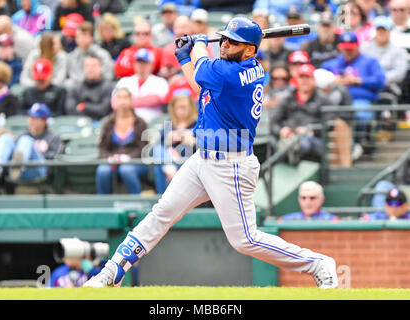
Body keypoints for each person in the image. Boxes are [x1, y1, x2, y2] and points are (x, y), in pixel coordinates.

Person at [84, 17, 338, 289]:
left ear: (250, 50)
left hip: (232, 166)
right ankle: (112, 271)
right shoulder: (231, 69)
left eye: (233, 42)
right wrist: (184, 58)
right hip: (202, 158)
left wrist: (199, 43)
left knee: (245, 240)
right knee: (162, 212)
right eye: (225, 39)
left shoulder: (232, 74)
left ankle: (318, 264)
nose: (226, 44)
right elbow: (200, 84)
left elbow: (204, 65)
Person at [321, 30, 386, 160]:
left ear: (357, 46)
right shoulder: (332, 63)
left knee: (361, 114)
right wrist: (332, 81)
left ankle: (357, 143)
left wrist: (357, 80)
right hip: (335, 103)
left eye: (350, 49)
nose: (348, 52)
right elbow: (318, 76)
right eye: (345, 49)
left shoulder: (369, 62)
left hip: (360, 100)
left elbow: (380, 81)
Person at [270, 63, 331, 165]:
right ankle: (291, 153)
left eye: (308, 77)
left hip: (314, 140)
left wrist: (312, 130)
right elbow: (274, 122)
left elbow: (328, 123)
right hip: (290, 136)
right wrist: (281, 130)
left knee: (305, 142)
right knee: (280, 142)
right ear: (297, 80)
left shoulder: (323, 99)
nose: (304, 81)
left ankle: (292, 153)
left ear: (314, 80)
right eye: (302, 77)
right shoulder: (288, 97)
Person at [95, 87, 149, 195]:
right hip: (112, 161)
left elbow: (143, 148)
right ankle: (103, 204)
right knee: (102, 170)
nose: (123, 101)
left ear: (131, 100)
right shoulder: (108, 123)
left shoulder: (140, 123)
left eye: (125, 97)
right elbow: (102, 148)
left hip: (136, 162)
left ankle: (137, 202)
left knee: (126, 169)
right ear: (114, 101)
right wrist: (111, 158)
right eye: (119, 97)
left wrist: (127, 158)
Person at [153, 89, 197, 194]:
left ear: (191, 107)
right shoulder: (169, 123)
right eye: (178, 107)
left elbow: (198, 145)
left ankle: (170, 170)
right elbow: (162, 144)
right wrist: (173, 138)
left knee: (171, 163)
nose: (181, 111)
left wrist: (191, 140)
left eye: (184, 107)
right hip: (170, 159)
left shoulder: (197, 123)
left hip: (187, 160)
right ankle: (170, 170)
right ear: (173, 108)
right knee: (158, 150)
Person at [8, 102, 63, 181]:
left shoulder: (53, 137)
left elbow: (55, 157)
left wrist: (34, 153)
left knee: (26, 140)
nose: (31, 121)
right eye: (30, 117)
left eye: (35, 118)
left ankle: (19, 165)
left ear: (44, 121)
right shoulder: (23, 135)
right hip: (23, 172)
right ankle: (17, 167)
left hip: (40, 170)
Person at [360, 16, 408, 104]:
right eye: (379, 30)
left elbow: (399, 73)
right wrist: (369, 80)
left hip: (389, 86)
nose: (381, 33)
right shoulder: (364, 48)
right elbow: (359, 67)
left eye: (384, 30)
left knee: (386, 98)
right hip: (365, 85)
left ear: (390, 31)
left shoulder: (399, 51)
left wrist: (378, 79)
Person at [115, 48, 169, 124]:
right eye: (138, 62)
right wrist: (145, 100)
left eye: (144, 63)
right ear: (134, 64)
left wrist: (127, 101)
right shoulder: (124, 81)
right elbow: (114, 103)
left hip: (152, 124)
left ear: (151, 64)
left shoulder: (160, 82)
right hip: (128, 124)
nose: (141, 66)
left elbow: (158, 99)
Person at [65, 52, 114, 121]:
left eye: (94, 66)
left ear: (101, 68)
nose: (90, 69)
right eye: (87, 66)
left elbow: (104, 109)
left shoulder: (108, 88)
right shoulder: (75, 88)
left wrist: (84, 106)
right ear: (83, 68)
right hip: (79, 123)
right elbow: (70, 109)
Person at [65, 21, 114, 89]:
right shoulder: (72, 56)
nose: (81, 39)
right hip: (77, 90)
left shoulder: (102, 55)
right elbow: (70, 77)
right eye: (78, 36)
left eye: (84, 35)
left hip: (98, 89)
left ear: (92, 37)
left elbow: (108, 76)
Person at [158, 15, 192, 81]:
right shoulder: (168, 49)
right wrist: (166, 72)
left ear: (190, 28)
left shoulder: (198, 47)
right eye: (177, 28)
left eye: (183, 27)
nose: (180, 31)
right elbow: (163, 72)